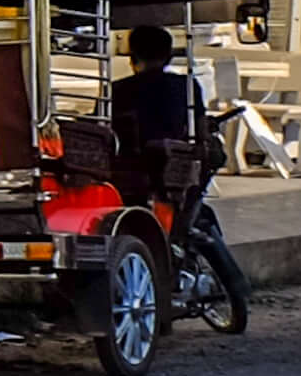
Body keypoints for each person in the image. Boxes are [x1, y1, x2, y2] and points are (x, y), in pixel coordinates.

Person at [103, 22, 252, 315]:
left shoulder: (117, 91)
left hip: (126, 178)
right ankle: (233, 285)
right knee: (198, 214)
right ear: (169, 55)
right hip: (174, 174)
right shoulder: (185, 87)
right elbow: (196, 127)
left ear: (132, 57)